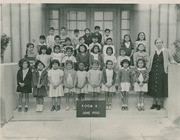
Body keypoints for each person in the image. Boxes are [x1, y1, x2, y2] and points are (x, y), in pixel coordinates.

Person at [148, 38, 177, 110]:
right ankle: (154, 103)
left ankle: (159, 104)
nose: (159, 43)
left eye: (160, 42)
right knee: (153, 86)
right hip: (153, 71)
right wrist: (148, 69)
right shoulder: (153, 52)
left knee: (160, 86)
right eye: (157, 42)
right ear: (155, 44)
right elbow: (150, 61)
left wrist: (173, 62)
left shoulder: (166, 51)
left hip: (162, 71)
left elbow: (171, 58)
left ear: (162, 43)